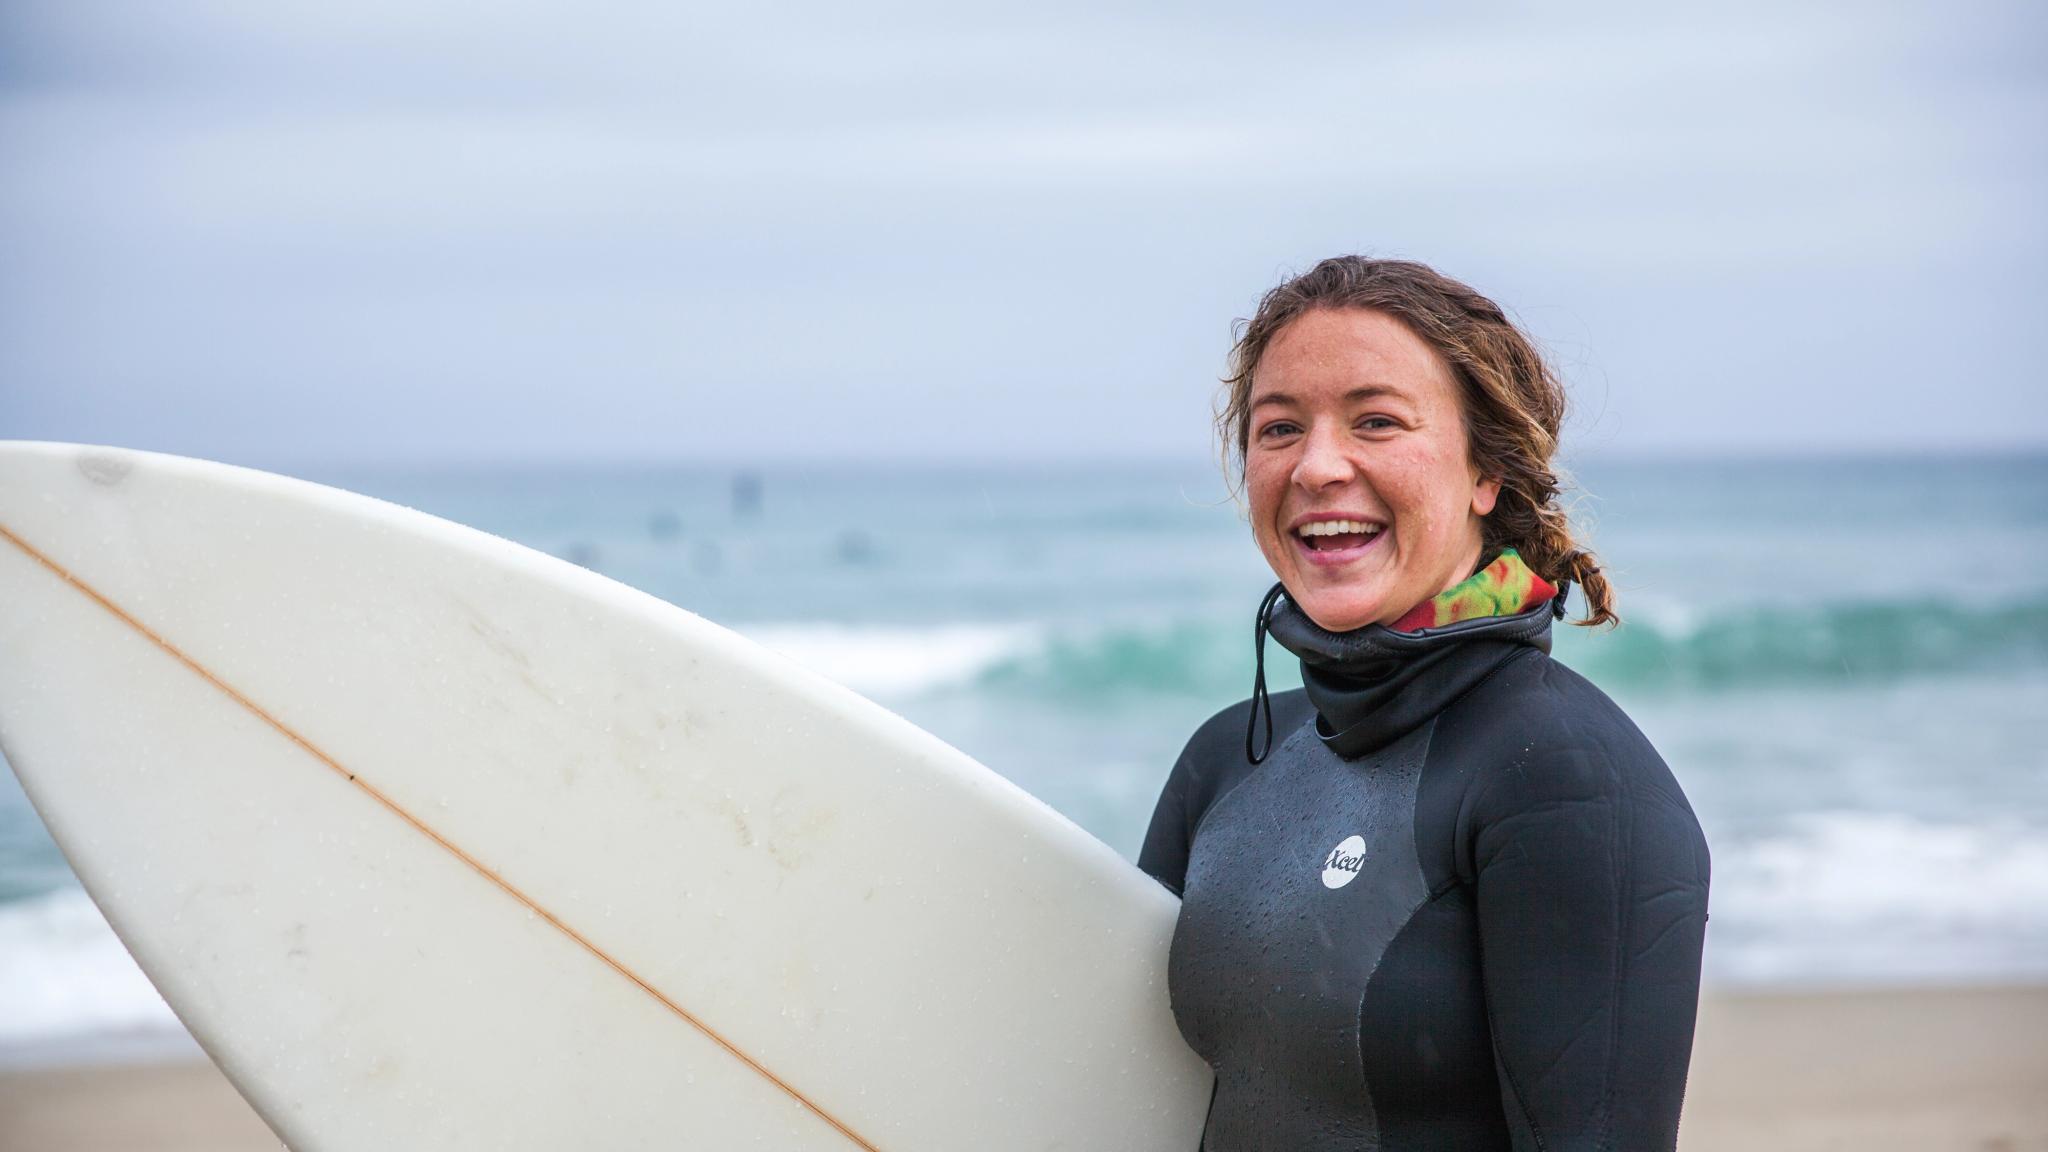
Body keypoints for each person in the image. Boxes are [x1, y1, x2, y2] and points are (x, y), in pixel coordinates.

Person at [1139, 257, 1710, 1151]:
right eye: (1279, 427)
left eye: (1376, 421)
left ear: (1486, 472)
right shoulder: (1227, 761)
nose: (1318, 466)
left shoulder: (1568, 780)